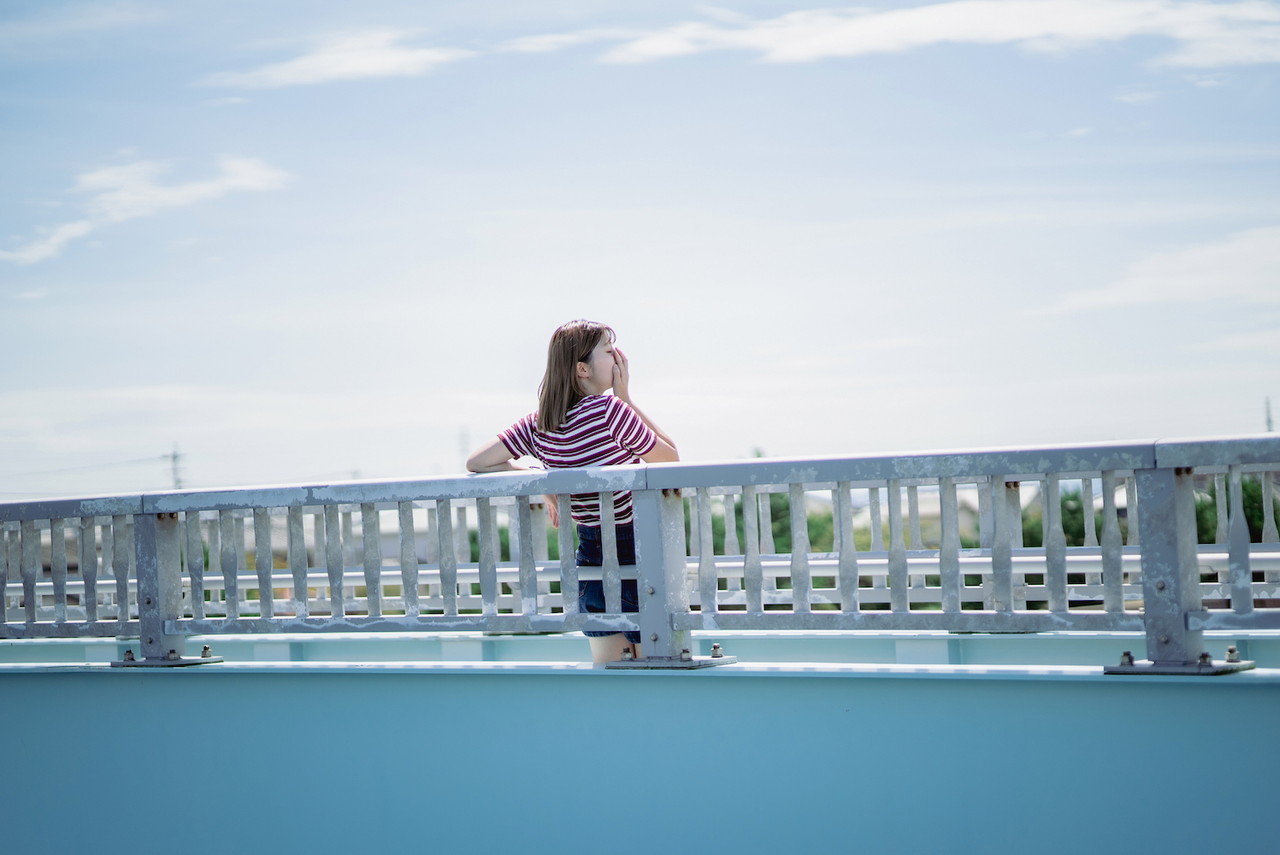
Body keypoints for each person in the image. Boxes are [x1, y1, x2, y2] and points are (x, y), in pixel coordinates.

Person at [466, 320, 679, 664]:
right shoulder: (611, 411)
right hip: (635, 547)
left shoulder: (540, 423)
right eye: (609, 352)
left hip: (590, 554)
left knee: (610, 666)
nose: (618, 359)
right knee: (655, 662)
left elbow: (476, 462)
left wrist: (541, 477)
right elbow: (670, 459)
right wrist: (626, 399)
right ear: (583, 369)